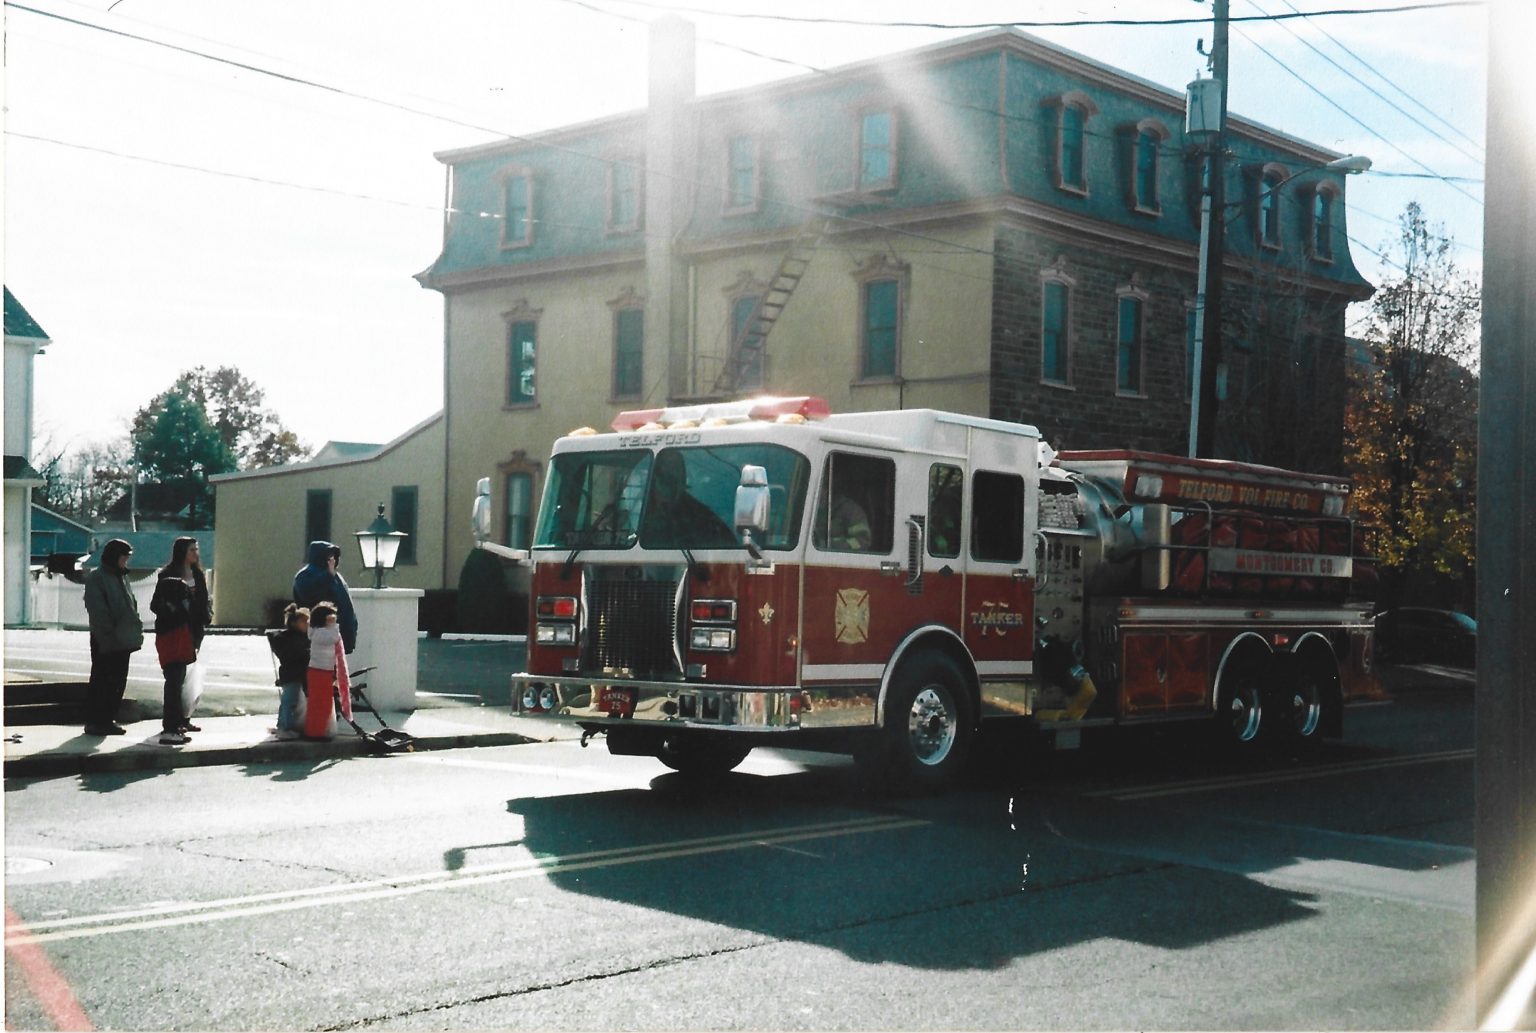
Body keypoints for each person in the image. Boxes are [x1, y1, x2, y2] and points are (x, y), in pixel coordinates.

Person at [149, 536, 211, 746]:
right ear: (182, 552)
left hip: (194, 630)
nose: (196, 553)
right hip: (175, 631)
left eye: (197, 549)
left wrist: (205, 615)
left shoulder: (198, 574)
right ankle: (172, 725)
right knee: (175, 678)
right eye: (192, 549)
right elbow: (157, 605)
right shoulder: (168, 575)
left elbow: (203, 600)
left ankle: (183, 719)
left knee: (188, 678)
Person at [81, 538, 143, 736]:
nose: (126, 561)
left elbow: (130, 604)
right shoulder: (97, 578)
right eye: (123, 557)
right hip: (105, 639)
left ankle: (108, 718)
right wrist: (108, 637)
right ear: (113, 556)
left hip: (124, 638)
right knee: (102, 680)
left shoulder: (122, 577)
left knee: (118, 682)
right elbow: (98, 612)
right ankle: (96, 720)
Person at [641, 449, 733, 546]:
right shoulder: (640, 512)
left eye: (671, 478)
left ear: (683, 480)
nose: (666, 485)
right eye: (661, 475)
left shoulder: (702, 518)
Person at [293, 541, 357, 654]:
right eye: (329, 557)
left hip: (339, 637)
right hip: (319, 639)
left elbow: (346, 604)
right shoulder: (305, 575)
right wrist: (328, 576)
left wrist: (351, 629)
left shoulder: (336, 577)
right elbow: (307, 594)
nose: (333, 560)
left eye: (334, 556)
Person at [304, 601, 352, 741]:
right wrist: (334, 625)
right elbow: (334, 638)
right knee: (321, 704)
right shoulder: (320, 633)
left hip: (321, 671)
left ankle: (316, 731)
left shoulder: (316, 631)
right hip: (320, 671)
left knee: (319, 703)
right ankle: (315, 733)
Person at [267, 603, 310, 740]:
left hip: (292, 673)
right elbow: (297, 655)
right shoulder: (294, 639)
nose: (307, 624)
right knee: (290, 701)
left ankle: (282, 725)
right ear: (294, 623)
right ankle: (285, 728)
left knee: (289, 701)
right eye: (304, 621)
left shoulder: (293, 637)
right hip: (293, 674)